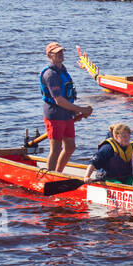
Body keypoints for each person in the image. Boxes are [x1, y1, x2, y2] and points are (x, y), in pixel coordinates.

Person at [40, 42, 92, 173]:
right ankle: (50, 176)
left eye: (61, 52)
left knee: (70, 147)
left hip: (67, 114)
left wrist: (76, 112)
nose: (60, 55)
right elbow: (59, 100)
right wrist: (81, 109)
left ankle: (58, 172)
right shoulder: (50, 74)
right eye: (57, 53)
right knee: (56, 148)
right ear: (49, 56)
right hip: (55, 115)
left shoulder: (63, 70)